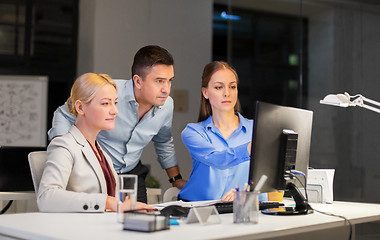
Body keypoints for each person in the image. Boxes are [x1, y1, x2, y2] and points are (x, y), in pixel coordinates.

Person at [47, 45, 186, 203]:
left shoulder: (167, 105)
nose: (166, 90)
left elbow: (164, 142)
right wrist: (63, 150)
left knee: (139, 221)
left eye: (170, 81)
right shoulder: (108, 92)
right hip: (99, 172)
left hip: (132, 172)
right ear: (138, 81)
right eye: (159, 81)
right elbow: (63, 113)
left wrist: (175, 179)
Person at [38, 73, 155, 212]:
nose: (115, 111)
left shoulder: (101, 152)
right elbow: (46, 198)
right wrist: (107, 202)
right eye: (106, 103)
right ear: (80, 108)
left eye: (115, 103)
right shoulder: (64, 146)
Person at [178, 61, 253, 202]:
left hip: (238, 210)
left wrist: (246, 193)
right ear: (205, 92)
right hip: (196, 210)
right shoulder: (193, 132)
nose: (227, 93)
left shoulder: (255, 130)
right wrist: (248, 149)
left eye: (232, 87)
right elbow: (216, 159)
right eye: (219, 87)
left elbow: (267, 180)